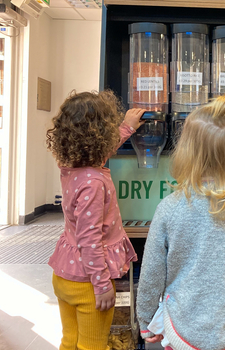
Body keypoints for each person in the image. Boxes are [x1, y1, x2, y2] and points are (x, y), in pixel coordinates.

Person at [136, 94, 225, 350]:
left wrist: (145, 319)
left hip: (180, 332)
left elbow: (152, 273)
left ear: (187, 151)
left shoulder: (169, 208)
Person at [46, 90, 144, 350]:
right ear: (102, 134)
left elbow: (99, 152)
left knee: (70, 341)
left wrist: (126, 128)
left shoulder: (71, 166)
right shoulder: (93, 183)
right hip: (88, 284)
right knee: (93, 345)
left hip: (65, 275)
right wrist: (101, 286)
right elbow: (90, 240)